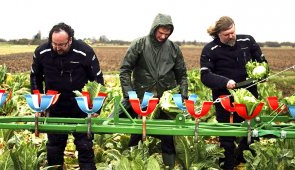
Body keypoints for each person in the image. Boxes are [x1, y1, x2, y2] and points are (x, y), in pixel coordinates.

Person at [30, 22, 104, 170]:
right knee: (54, 148)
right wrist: (39, 104)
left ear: (70, 40)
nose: (58, 48)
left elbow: (98, 80)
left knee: (85, 147)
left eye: (62, 44)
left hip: (81, 107)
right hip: (55, 105)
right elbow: (34, 77)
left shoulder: (85, 52)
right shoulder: (41, 52)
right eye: (54, 44)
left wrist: (96, 107)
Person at [119, 13, 188, 169]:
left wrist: (183, 95)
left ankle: (169, 165)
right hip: (142, 98)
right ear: (154, 28)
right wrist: (130, 95)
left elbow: (182, 74)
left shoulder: (173, 48)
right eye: (160, 32)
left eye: (166, 33)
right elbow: (125, 70)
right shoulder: (139, 44)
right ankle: (127, 163)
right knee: (136, 133)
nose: (163, 36)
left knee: (168, 136)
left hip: (165, 101)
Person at [200, 16, 267, 170]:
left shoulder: (248, 41)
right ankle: (228, 166)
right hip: (225, 99)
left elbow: (262, 62)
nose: (231, 36)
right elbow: (205, 76)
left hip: (249, 99)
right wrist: (225, 82)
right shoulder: (210, 49)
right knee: (227, 140)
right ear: (218, 34)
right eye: (226, 34)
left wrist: (263, 73)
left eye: (232, 32)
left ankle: (240, 160)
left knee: (252, 133)